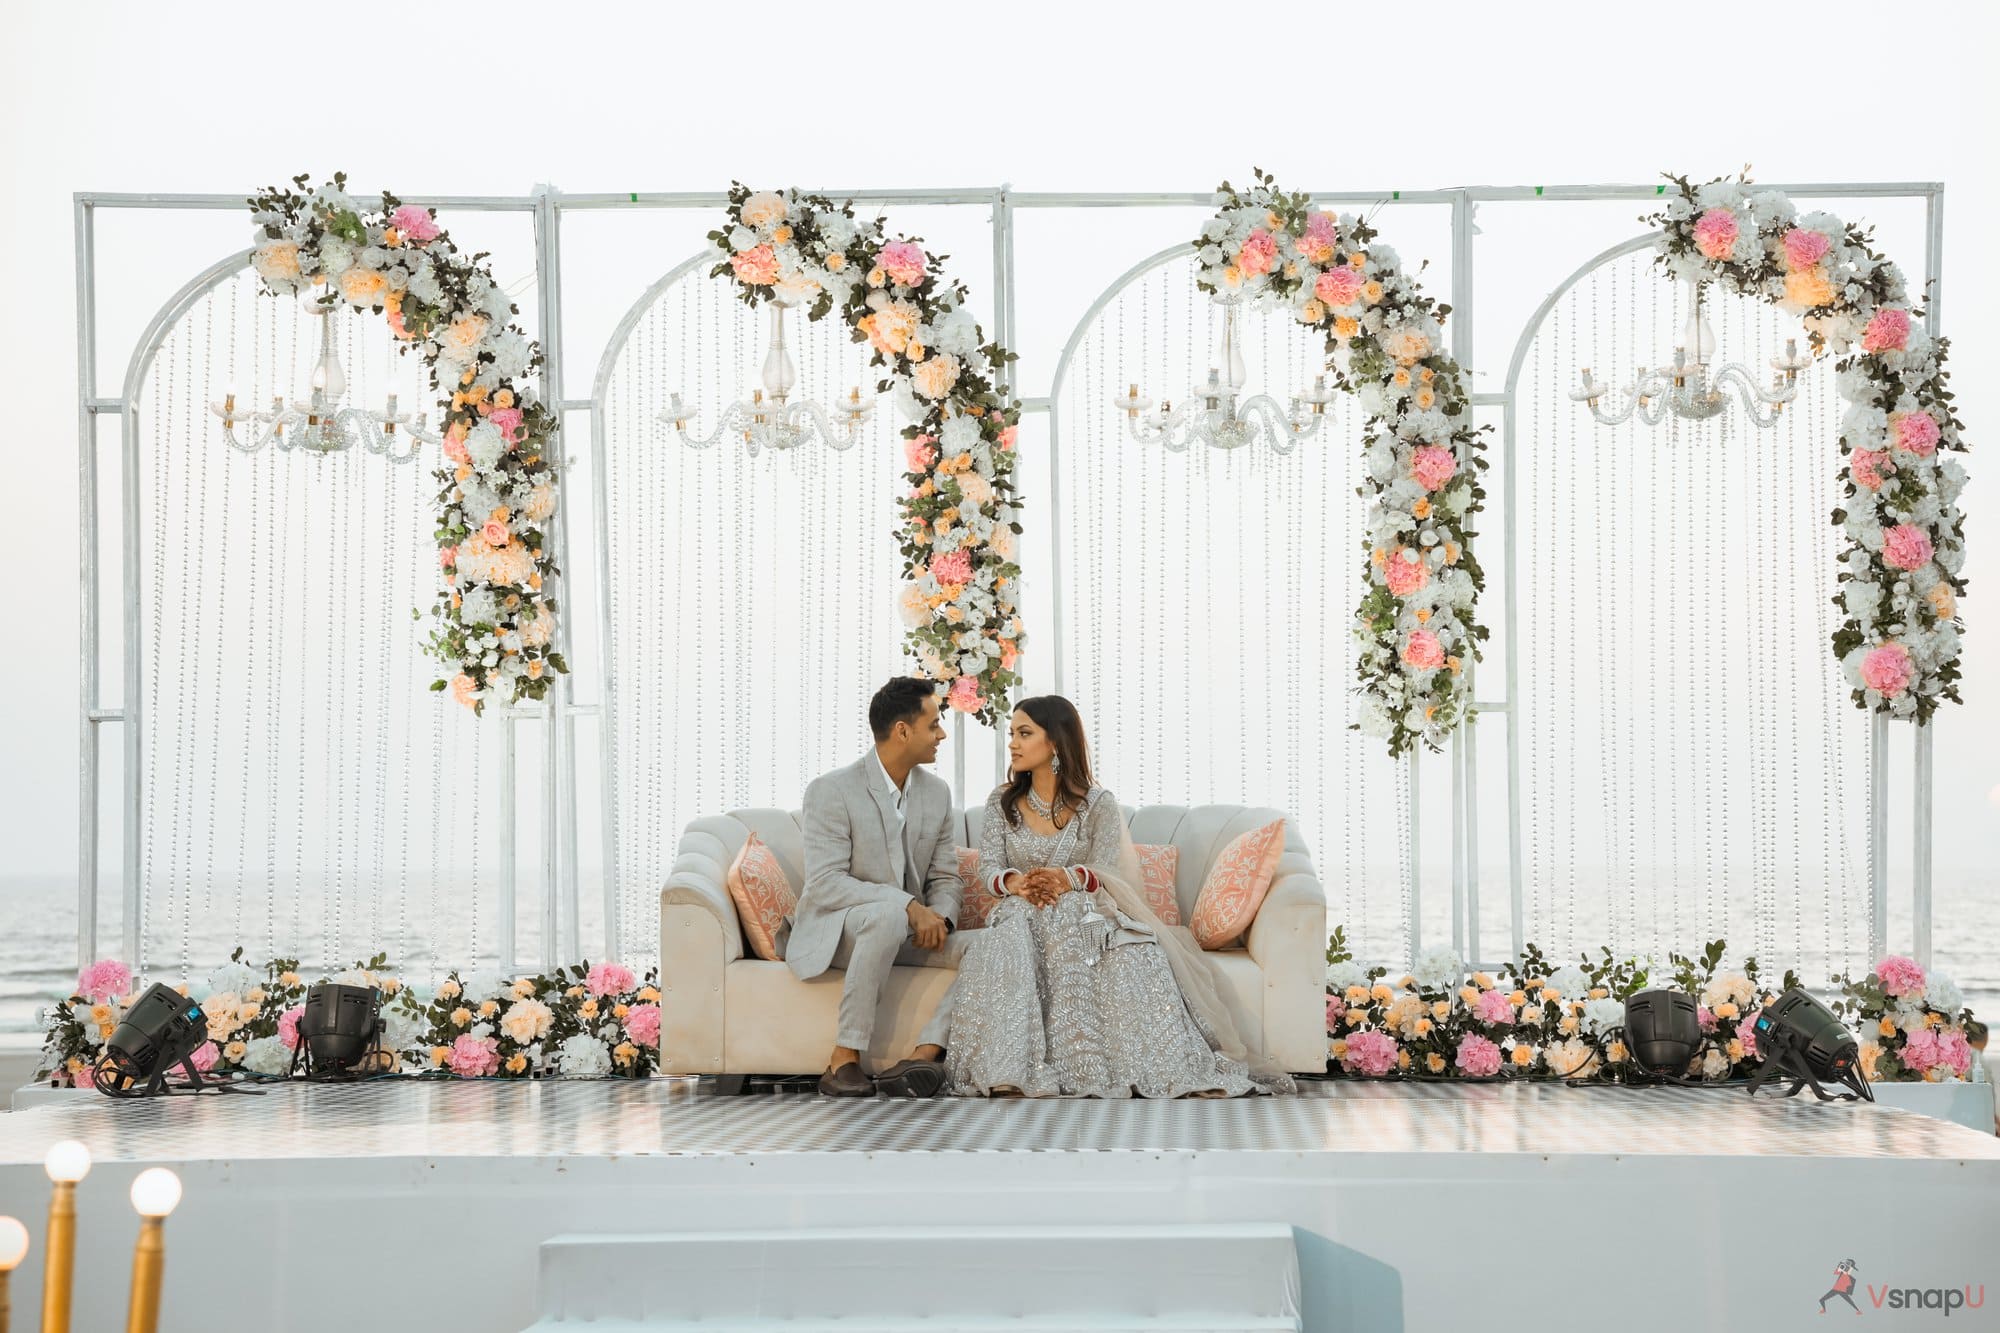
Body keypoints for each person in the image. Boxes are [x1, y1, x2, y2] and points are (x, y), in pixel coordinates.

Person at [943, 694, 1295, 1098]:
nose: (1014, 744)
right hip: (1019, 910)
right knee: (1011, 934)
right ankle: (1009, 1067)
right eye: (1013, 734)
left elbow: (1106, 869)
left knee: (1131, 949)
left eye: (1024, 733)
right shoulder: (1002, 802)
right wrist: (1017, 884)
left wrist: (1066, 878)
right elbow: (988, 868)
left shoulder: (1097, 804)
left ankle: (1127, 1065)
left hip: (1083, 911)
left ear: (1055, 742)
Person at [782, 677, 968, 1098]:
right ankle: (843, 1059)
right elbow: (827, 884)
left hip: (906, 932)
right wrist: (906, 906)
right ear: (903, 731)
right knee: (886, 915)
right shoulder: (831, 791)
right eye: (934, 725)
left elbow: (945, 876)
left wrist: (939, 917)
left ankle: (923, 1057)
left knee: (996, 943)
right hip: (840, 932)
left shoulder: (936, 793)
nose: (941, 734)